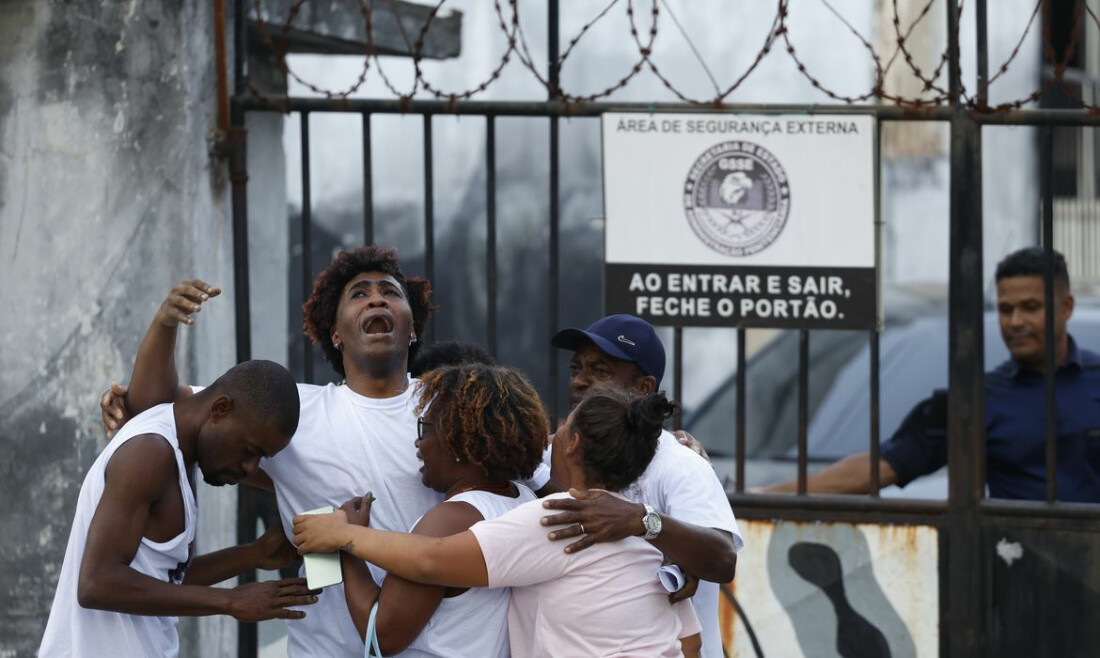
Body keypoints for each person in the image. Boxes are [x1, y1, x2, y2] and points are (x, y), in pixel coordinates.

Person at [102, 246, 442, 657]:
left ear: (412, 328)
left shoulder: (453, 405)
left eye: (390, 292)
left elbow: (524, 475)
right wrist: (165, 323)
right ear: (334, 333)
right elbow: (160, 409)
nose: (375, 298)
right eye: (358, 294)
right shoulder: (295, 411)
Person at [293, 389, 702, 658]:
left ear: (573, 443)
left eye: (559, 429)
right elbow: (689, 641)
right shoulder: (641, 529)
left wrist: (345, 536)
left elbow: (431, 560)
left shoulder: (559, 516)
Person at [764, 247, 1100, 501]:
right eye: (1005, 309)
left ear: (1066, 307)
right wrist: (767, 495)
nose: (1014, 322)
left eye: (1030, 307)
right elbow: (886, 465)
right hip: (1018, 578)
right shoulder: (977, 400)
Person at [39, 360, 315, 657]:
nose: (250, 468)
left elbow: (163, 582)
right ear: (220, 409)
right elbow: (97, 584)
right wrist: (229, 601)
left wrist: (254, 554)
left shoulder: (182, 456)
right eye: (249, 451)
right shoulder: (151, 451)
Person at [538, 313, 742, 658]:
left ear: (643, 388)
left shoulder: (679, 463)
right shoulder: (548, 455)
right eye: (576, 369)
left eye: (599, 371)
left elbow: (722, 559)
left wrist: (642, 521)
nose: (580, 381)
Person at [336, 363, 546, 656]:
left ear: (458, 441)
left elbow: (379, 637)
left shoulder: (450, 521)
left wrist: (346, 543)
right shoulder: (524, 500)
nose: (418, 442)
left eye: (426, 427)